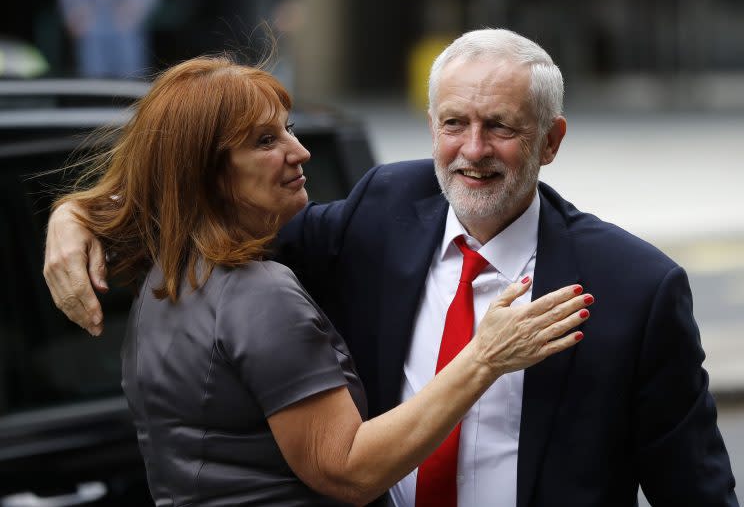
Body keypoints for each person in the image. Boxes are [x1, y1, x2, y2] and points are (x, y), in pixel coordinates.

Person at [44, 29, 738, 506]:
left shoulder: (635, 287)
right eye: (453, 123)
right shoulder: (379, 210)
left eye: (500, 126)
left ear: (550, 141)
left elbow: (696, 491)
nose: (473, 150)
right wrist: (78, 214)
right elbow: (201, 210)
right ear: (429, 124)